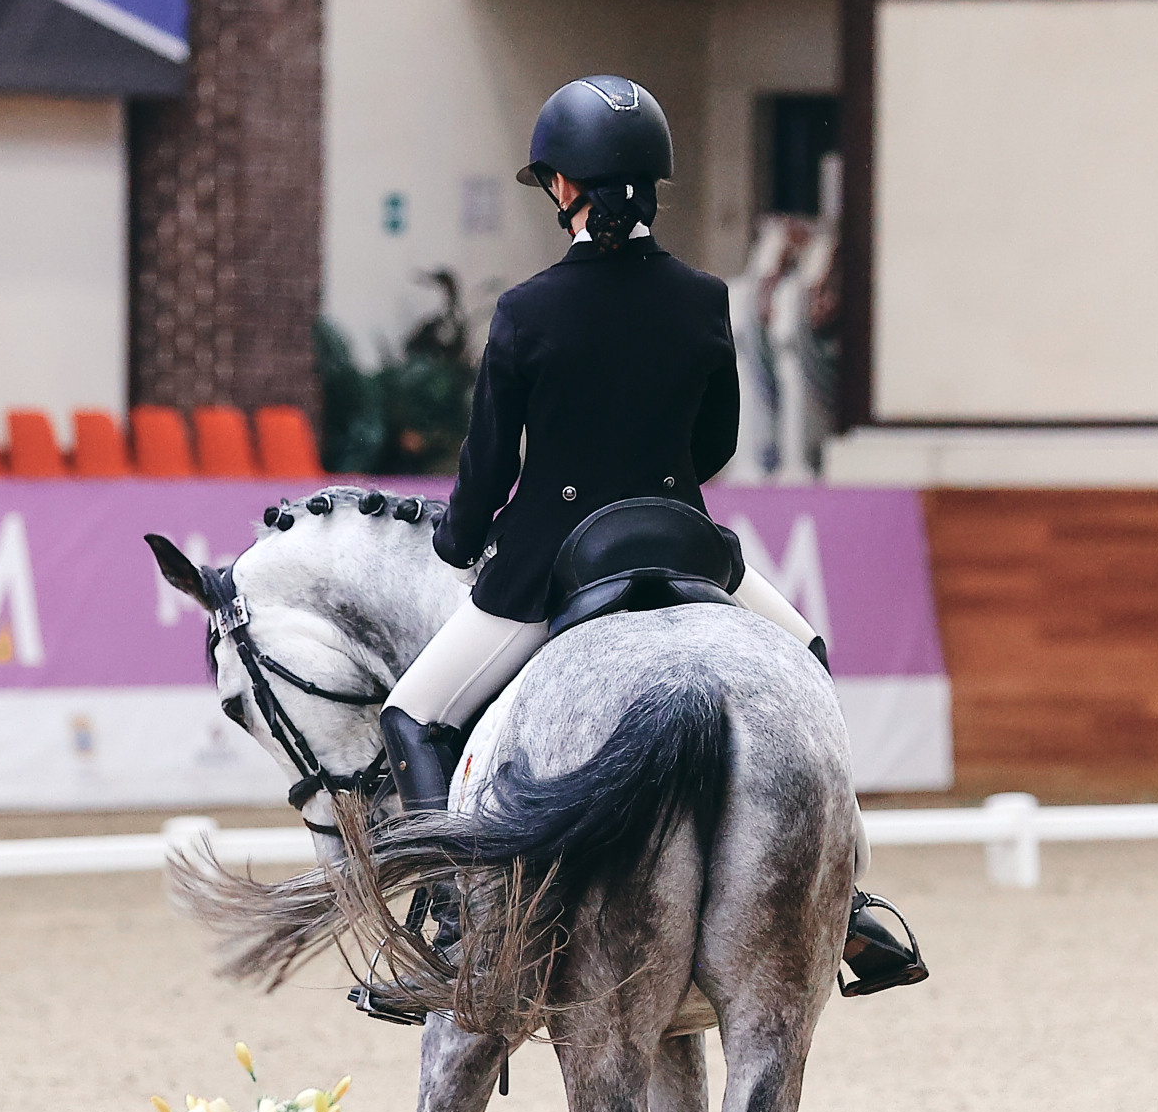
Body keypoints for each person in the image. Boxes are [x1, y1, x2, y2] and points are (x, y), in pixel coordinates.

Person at [377, 74, 924, 999]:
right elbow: (714, 448)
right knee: (807, 659)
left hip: (550, 564)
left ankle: (456, 923)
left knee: (411, 714)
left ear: (565, 188)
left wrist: (459, 543)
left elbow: (486, 470)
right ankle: (851, 901)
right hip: (684, 547)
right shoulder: (704, 298)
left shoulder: (525, 311)